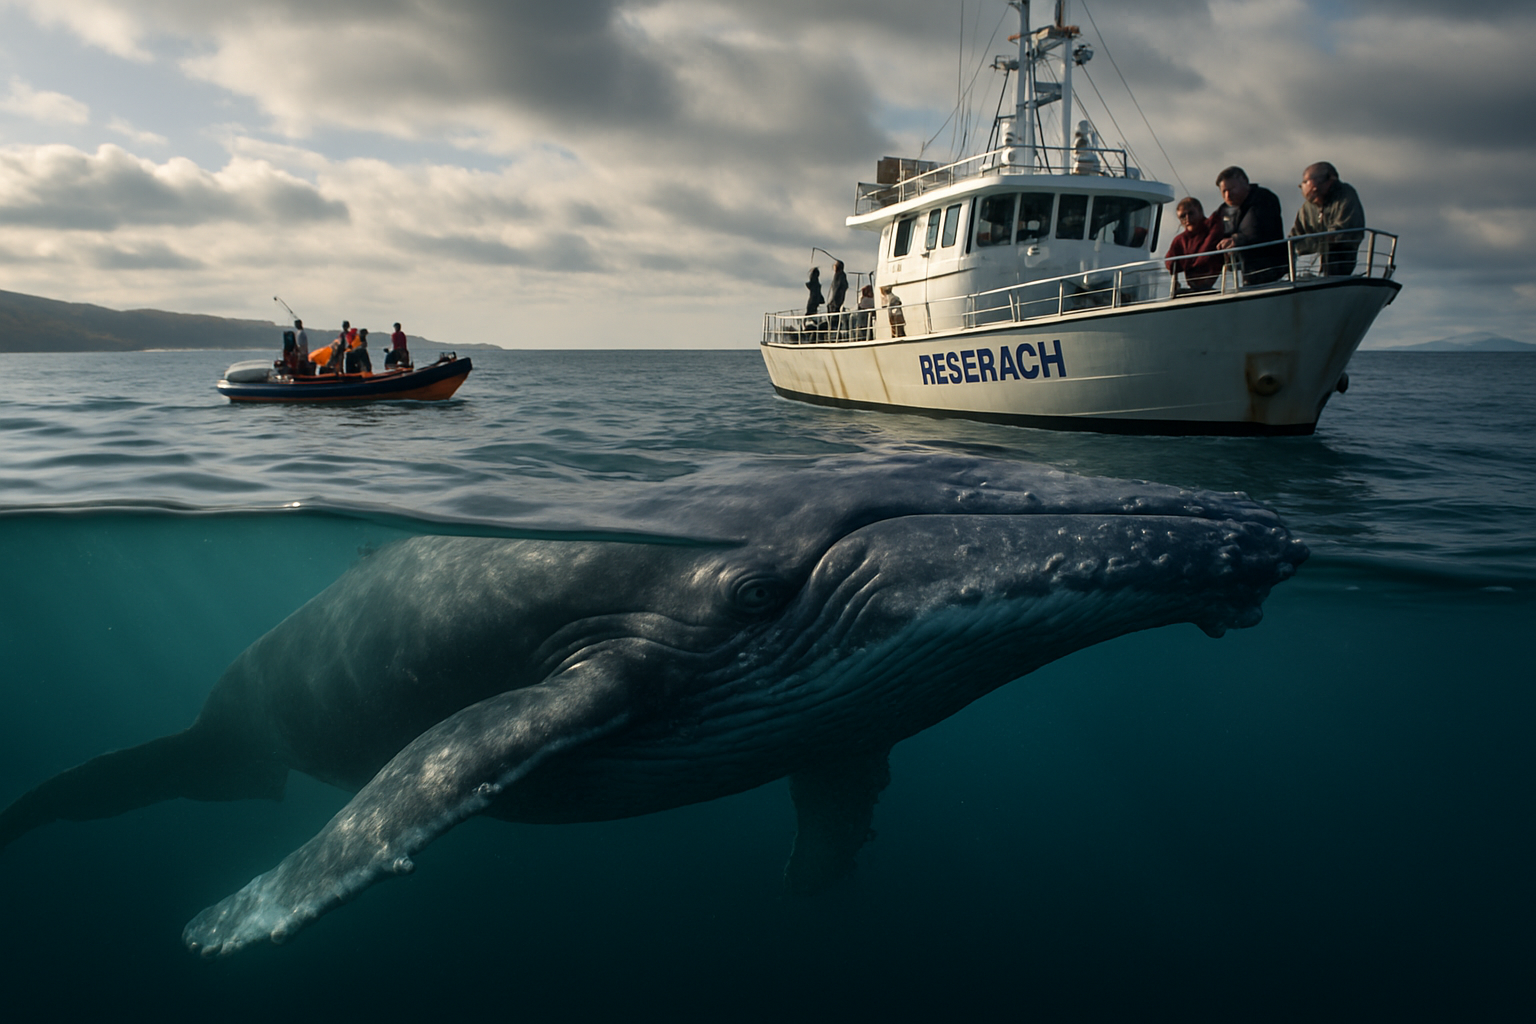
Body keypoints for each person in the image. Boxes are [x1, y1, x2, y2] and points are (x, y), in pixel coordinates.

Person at [1290, 161, 1366, 277]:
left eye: (1305, 181)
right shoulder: (1307, 208)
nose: (1301, 186)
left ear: (1329, 179)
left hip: (1340, 259)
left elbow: (1343, 232)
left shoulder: (1346, 195)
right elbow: (1295, 236)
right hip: (1311, 266)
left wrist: (1321, 240)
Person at [1213, 166, 1287, 285]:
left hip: (1274, 271)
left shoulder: (1264, 198)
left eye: (1231, 189)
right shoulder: (1224, 210)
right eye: (1224, 191)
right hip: (1247, 274)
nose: (1228, 195)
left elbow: (1259, 229)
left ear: (1246, 183)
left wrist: (1236, 240)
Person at [1164, 198, 1227, 293]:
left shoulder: (1213, 226)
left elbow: (1210, 245)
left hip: (1221, 284)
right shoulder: (1179, 240)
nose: (1187, 219)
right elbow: (1170, 262)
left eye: (1191, 213)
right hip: (1193, 286)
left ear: (1200, 211)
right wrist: (1175, 279)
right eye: (1183, 216)